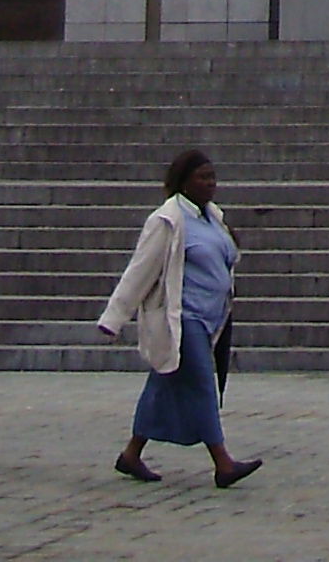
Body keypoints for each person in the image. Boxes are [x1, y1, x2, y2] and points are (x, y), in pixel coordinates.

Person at [100, 148, 262, 488]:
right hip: (184, 319)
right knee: (203, 384)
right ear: (183, 182)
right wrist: (114, 318)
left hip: (213, 318)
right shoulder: (168, 221)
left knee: (164, 384)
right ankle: (223, 462)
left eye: (212, 177)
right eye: (202, 178)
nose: (210, 184)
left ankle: (131, 454)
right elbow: (140, 271)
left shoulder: (213, 217)